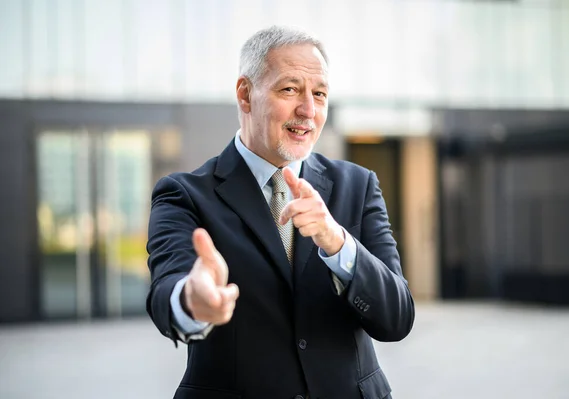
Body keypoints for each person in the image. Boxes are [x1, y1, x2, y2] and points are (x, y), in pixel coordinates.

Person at [146, 25, 415, 399]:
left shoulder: (359, 185)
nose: (308, 110)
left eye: (319, 94)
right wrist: (193, 299)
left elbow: (397, 318)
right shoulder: (184, 195)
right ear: (245, 94)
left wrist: (339, 245)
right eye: (290, 89)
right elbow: (166, 292)